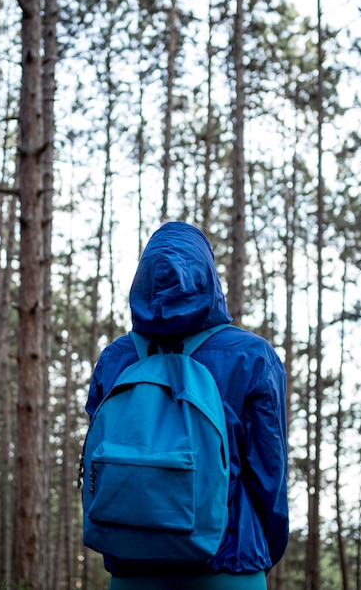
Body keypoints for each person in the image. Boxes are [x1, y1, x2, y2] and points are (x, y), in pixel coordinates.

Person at [85, 221, 289, 590]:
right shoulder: (252, 356)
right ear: (208, 277)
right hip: (230, 564)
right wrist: (260, 551)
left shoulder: (116, 359)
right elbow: (268, 474)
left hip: (133, 569)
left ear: (142, 280)